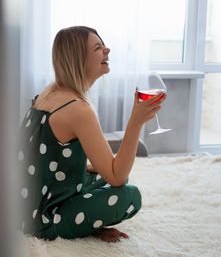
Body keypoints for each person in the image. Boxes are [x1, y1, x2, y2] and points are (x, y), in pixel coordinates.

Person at [16, 26, 166, 242]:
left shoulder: (51, 91)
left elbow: (41, 154)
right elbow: (117, 177)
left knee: (103, 173)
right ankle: (81, 226)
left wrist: (87, 167)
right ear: (79, 59)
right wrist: (136, 122)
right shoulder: (78, 110)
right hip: (43, 219)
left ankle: (84, 219)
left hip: (24, 203)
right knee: (128, 195)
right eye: (98, 47)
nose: (107, 50)